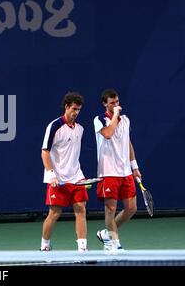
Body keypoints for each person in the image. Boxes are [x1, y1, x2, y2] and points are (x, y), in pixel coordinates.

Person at [94, 89, 142, 254]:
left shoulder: (126, 120)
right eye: (112, 103)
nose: (116, 105)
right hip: (108, 171)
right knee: (111, 208)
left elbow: (127, 143)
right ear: (105, 104)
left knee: (131, 208)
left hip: (125, 172)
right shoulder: (99, 119)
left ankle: (106, 233)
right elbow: (108, 134)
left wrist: (134, 166)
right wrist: (114, 116)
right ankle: (115, 243)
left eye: (117, 102)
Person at [40, 92, 88, 253]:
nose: (76, 113)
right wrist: (51, 174)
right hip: (58, 178)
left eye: (79, 110)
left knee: (81, 209)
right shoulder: (54, 126)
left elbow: (73, 154)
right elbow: (45, 152)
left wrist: (78, 175)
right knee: (54, 213)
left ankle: (82, 249)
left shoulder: (80, 129)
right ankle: (44, 246)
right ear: (66, 107)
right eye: (74, 109)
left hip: (76, 177)